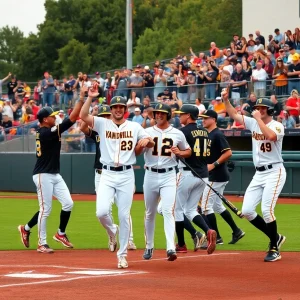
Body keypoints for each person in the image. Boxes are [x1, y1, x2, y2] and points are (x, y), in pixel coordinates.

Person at [80, 93, 154, 269]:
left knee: (123, 215)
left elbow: (150, 142)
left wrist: (147, 141)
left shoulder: (135, 126)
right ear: (111, 110)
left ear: (125, 110)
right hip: (107, 173)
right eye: (115, 107)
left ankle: (122, 255)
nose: (119, 109)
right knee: (101, 212)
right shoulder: (102, 123)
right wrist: (89, 98)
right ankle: (112, 231)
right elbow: (82, 116)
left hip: (126, 175)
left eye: (122, 107)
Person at [17, 86, 88, 253]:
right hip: (43, 175)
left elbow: (68, 120)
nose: (54, 118)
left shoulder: (46, 131)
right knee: (45, 209)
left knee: (68, 203)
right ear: (44, 120)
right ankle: (42, 243)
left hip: (54, 174)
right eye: (52, 116)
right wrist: (81, 98)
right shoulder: (46, 133)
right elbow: (71, 119)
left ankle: (53, 232)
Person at [223, 89, 286, 262]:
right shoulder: (253, 122)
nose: (259, 109)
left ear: (270, 110)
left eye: (263, 108)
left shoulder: (277, 125)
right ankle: (276, 237)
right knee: (248, 211)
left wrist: (258, 119)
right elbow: (235, 115)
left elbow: (271, 136)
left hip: (275, 171)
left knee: (267, 210)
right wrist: (226, 100)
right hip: (259, 173)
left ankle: (274, 248)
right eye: (257, 107)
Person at [80, 104, 137, 251]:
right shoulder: (98, 131)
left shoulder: (121, 130)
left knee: (124, 210)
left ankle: (129, 240)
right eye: (103, 116)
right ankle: (112, 233)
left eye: (107, 115)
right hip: (102, 174)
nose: (105, 118)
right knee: (104, 211)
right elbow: (82, 126)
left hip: (121, 173)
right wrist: (93, 112)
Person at [140, 103, 191, 261]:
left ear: (168, 115)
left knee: (169, 211)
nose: (159, 115)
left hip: (169, 174)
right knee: (150, 213)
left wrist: (180, 152)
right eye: (157, 113)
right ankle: (149, 246)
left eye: (162, 113)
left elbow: (188, 151)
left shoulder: (177, 133)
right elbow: (138, 149)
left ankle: (170, 247)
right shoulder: (146, 132)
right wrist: (141, 144)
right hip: (150, 174)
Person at [173, 104, 217, 254]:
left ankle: (181, 244)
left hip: (187, 173)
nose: (180, 117)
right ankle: (208, 230)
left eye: (182, 114)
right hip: (203, 174)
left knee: (176, 210)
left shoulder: (182, 132)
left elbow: (182, 152)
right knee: (191, 210)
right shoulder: (205, 131)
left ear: (189, 116)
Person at [199, 109, 245, 245]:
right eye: (202, 118)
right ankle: (236, 231)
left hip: (216, 175)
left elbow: (228, 153)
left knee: (206, 207)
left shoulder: (217, 134)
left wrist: (214, 164)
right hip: (218, 175)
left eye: (206, 118)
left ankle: (216, 237)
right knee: (218, 206)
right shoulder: (209, 134)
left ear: (213, 119)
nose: (203, 120)